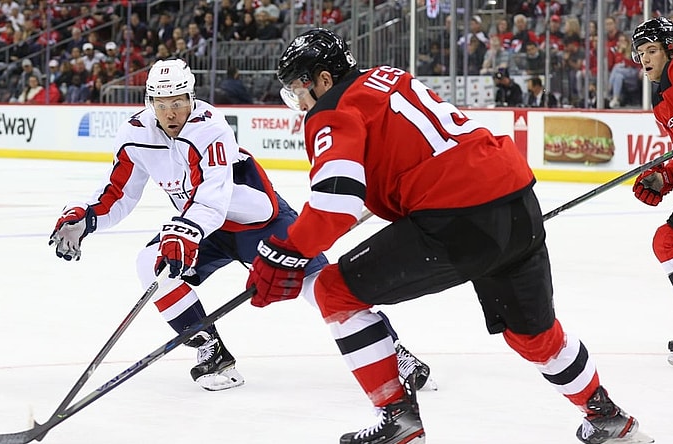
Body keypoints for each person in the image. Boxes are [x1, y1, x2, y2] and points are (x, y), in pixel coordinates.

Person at [248, 28, 652, 444]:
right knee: (532, 332)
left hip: (458, 216)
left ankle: (396, 418)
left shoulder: (331, 110)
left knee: (334, 291)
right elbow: (404, 161)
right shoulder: (389, 77)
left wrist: (287, 250)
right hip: (515, 200)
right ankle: (605, 416)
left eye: (299, 88)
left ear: (324, 79)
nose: (299, 102)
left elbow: (335, 204)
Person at [48, 59, 435, 392]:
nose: (170, 113)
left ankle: (392, 352)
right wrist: (88, 217)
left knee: (323, 288)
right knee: (150, 265)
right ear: (149, 102)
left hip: (258, 223)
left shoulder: (209, 125)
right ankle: (211, 351)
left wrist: (184, 231)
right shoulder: (135, 134)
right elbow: (119, 191)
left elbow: (213, 196)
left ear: (191, 97)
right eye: (162, 104)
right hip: (203, 229)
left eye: (179, 102)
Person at [630, 16, 673, 368]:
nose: (645, 58)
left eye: (652, 49)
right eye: (640, 52)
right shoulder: (662, 104)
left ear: (671, 48)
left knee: (670, 242)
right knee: (669, 242)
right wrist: (665, 178)